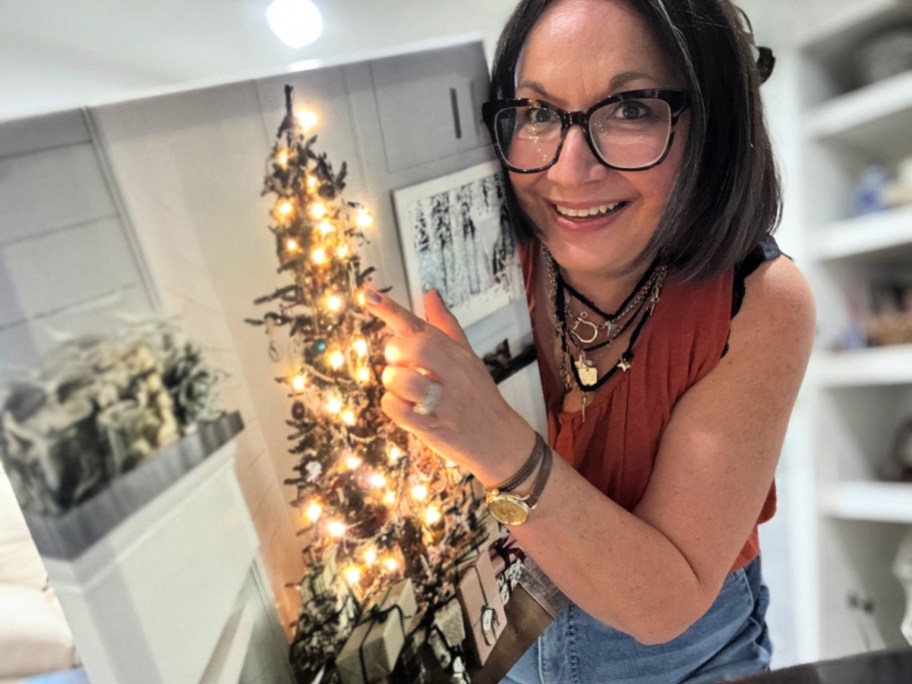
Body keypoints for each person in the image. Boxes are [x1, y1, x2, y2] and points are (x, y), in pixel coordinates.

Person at [363, 0, 815, 681]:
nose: (570, 170)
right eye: (538, 113)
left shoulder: (756, 299)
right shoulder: (486, 257)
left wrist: (493, 439)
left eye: (631, 108)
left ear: (710, 125)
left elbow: (664, 603)